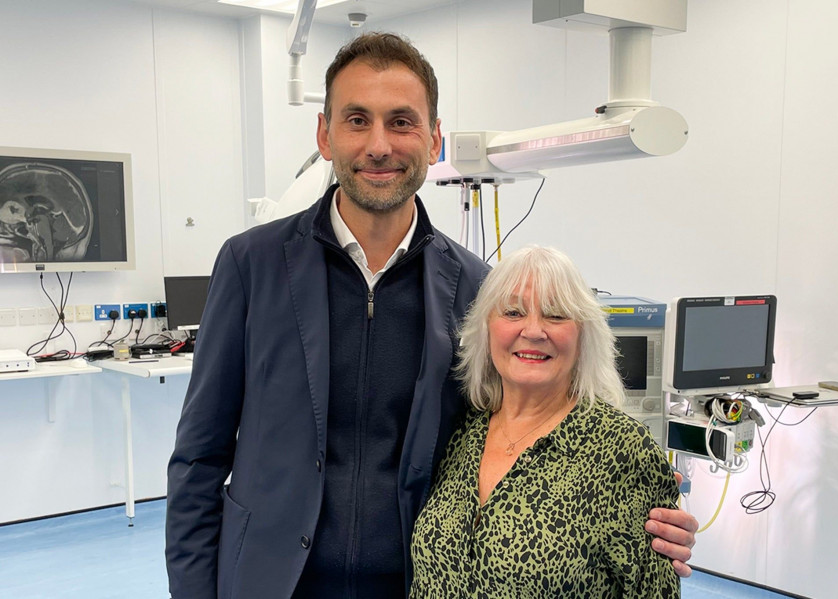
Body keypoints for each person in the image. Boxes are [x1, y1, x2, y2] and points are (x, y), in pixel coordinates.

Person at [165, 32, 696, 599]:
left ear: (434, 138)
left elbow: (515, 424)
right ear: (324, 134)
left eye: (401, 122)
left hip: (414, 584)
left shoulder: (474, 287)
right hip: (270, 582)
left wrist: (639, 509)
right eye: (356, 120)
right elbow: (199, 456)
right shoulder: (252, 265)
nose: (378, 145)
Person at [411, 246, 681, 598]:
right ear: (485, 328)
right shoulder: (459, 429)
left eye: (555, 315)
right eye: (513, 312)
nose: (534, 330)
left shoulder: (623, 450)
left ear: (584, 336)